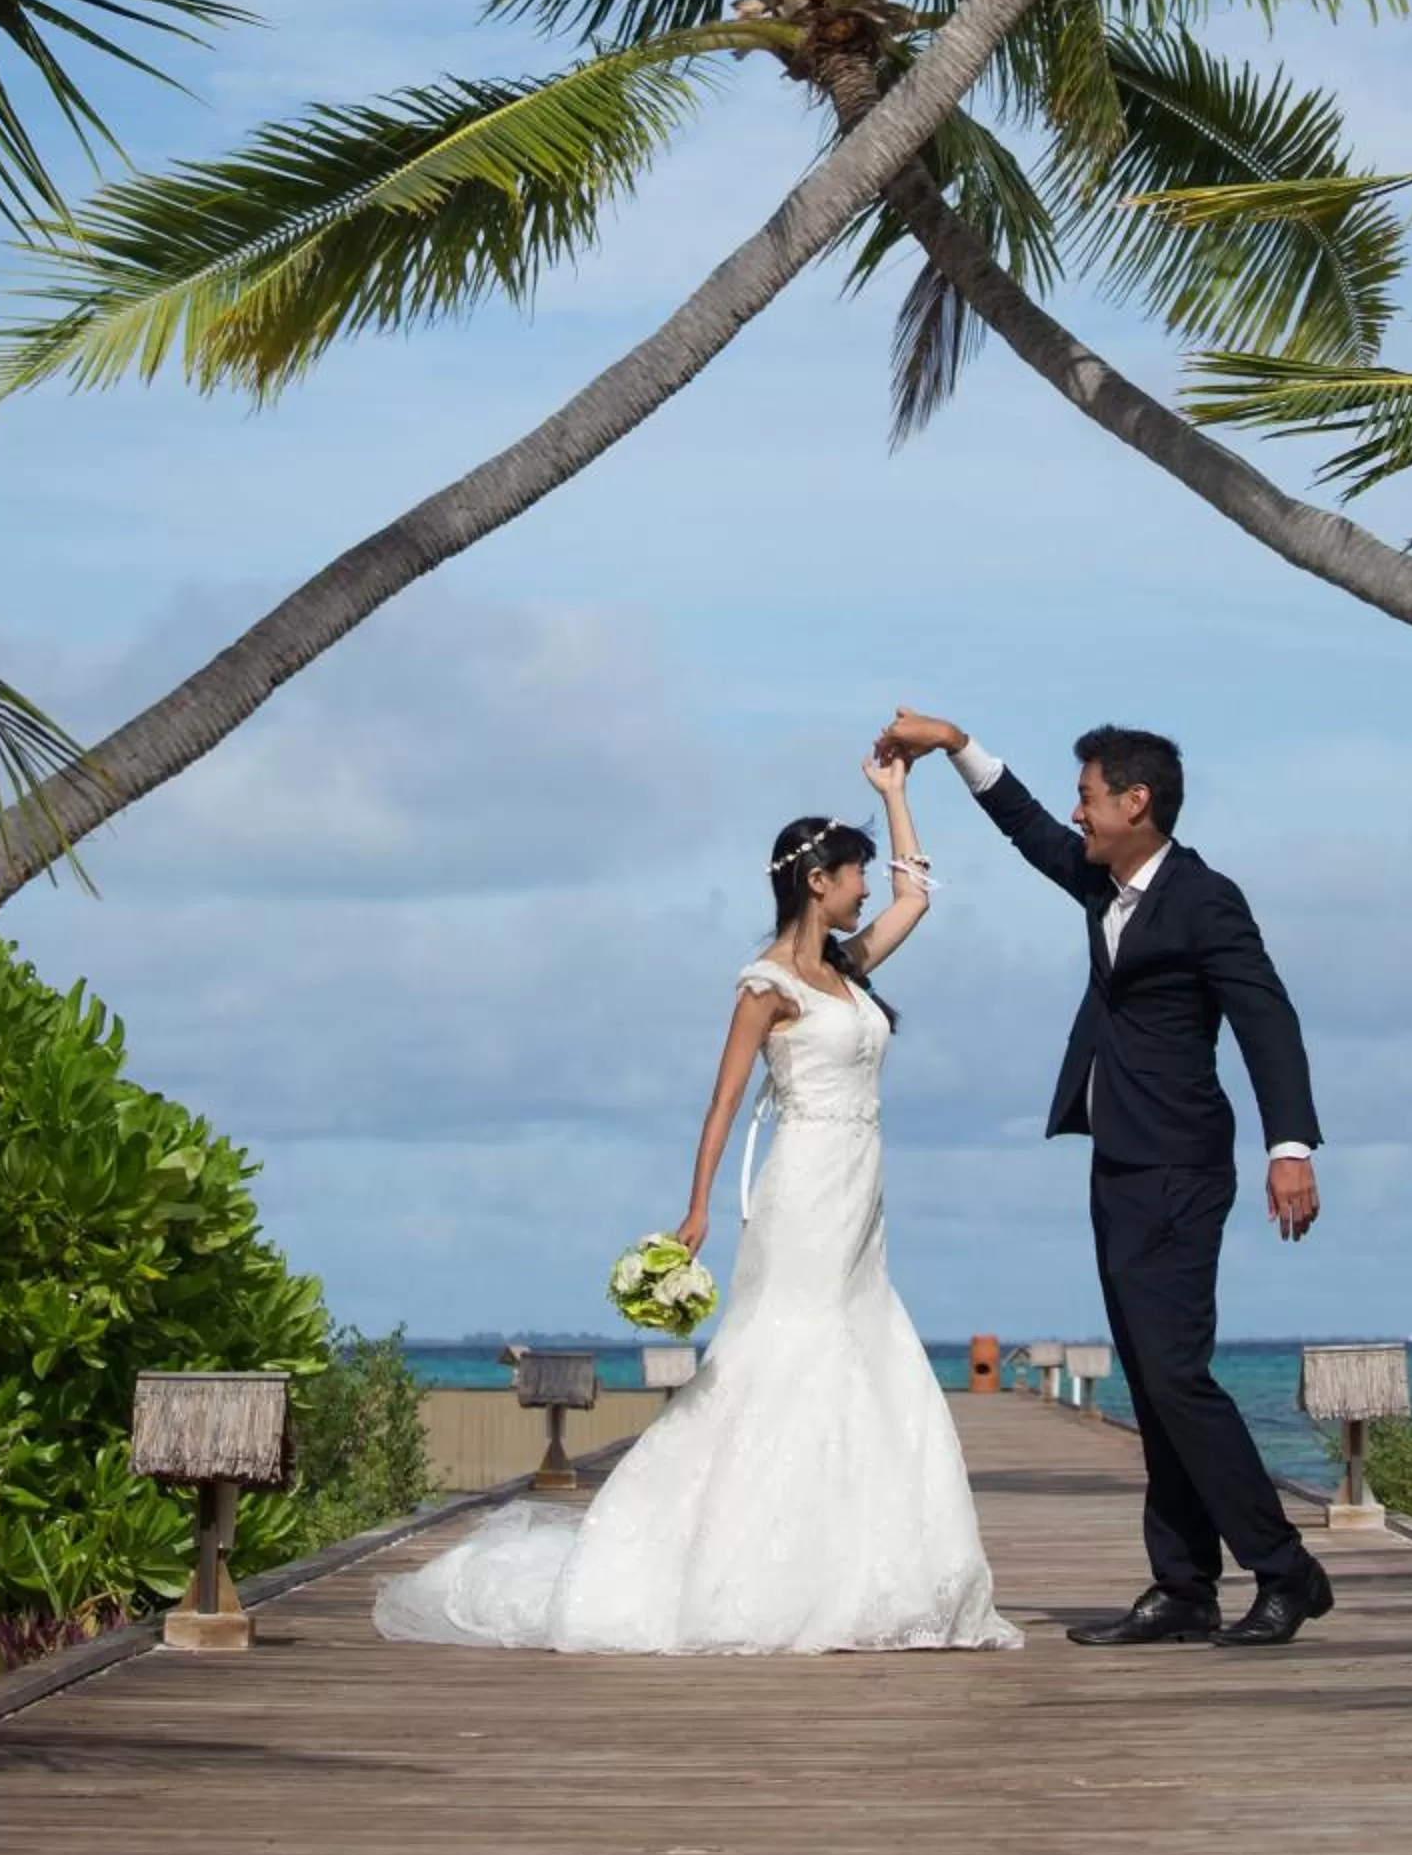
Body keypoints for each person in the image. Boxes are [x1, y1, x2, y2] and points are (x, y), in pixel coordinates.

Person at [374, 750, 1020, 1654]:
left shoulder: (848, 968)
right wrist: (698, 1211)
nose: (869, 891)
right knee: (790, 1350)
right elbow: (721, 1103)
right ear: (816, 882)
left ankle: (868, 1569)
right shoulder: (769, 985)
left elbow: (920, 895)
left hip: (863, 1195)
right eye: (855, 877)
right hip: (800, 1190)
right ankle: (752, 1569)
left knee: (865, 1351)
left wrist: (897, 794)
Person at [874, 708, 1330, 1649]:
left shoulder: (1206, 899)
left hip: (1183, 1165)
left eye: (1089, 795)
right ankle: (1184, 1586)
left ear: (1137, 802)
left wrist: (1291, 1148)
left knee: (1176, 1373)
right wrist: (959, 748)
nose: (1077, 813)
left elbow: (1267, 1019)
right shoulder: (1100, 883)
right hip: (1118, 1162)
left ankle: (1286, 1572)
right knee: (1149, 1376)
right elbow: (1025, 823)